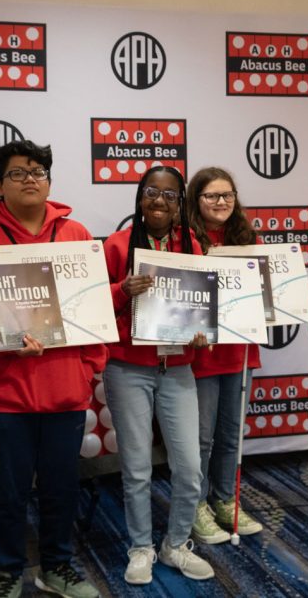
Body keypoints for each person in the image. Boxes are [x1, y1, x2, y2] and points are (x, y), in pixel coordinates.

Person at [0, 141, 105, 598]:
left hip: (65, 389)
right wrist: (5, 345)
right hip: (5, 393)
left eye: (39, 170)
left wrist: (88, 369)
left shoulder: (75, 234)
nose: (30, 178)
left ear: (50, 179)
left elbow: (93, 310)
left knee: (61, 488)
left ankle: (56, 566)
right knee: (8, 493)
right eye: (17, 173)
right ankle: (8, 569)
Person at [102, 166, 214, 585]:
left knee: (188, 467)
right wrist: (121, 291)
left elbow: (201, 310)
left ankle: (176, 544)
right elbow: (94, 307)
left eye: (170, 195)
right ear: (139, 197)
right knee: (135, 467)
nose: (159, 202)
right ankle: (141, 548)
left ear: (180, 202)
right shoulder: (116, 245)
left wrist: (204, 335)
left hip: (178, 367)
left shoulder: (193, 249)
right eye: (152, 192)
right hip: (129, 368)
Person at [183, 167, 264, 544]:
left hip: (239, 351)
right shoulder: (185, 240)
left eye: (227, 195)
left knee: (231, 435)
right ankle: (195, 505)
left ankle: (224, 500)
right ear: (196, 200)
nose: (221, 203)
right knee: (200, 438)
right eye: (212, 196)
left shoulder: (249, 240)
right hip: (199, 354)